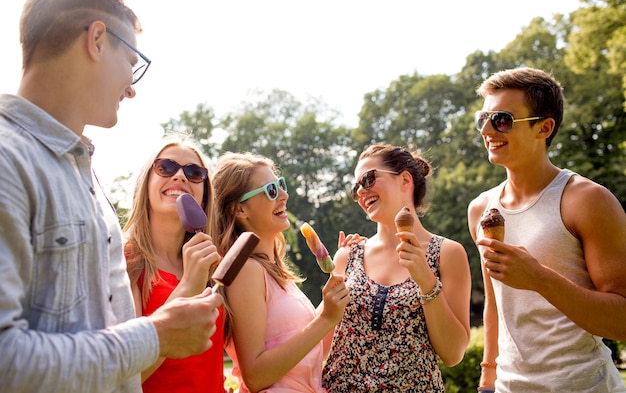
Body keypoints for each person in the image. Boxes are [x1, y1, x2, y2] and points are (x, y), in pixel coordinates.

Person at [0, 0, 222, 392]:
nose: (132, 88)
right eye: (132, 61)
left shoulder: (83, 171)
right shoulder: (7, 160)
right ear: (98, 40)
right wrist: (154, 335)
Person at [468, 67, 626, 393]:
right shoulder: (481, 210)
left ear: (544, 127)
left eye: (502, 119)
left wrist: (538, 278)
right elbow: (496, 303)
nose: (487, 129)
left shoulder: (587, 200)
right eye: (482, 118)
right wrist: (487, 378)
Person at [322, 143, 472, 392]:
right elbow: (320, 344)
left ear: (405, 180)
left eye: (368, 179)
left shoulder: (448, 253)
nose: (361, 191)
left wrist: (427, 282)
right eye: (355, 187)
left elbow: (453, 354)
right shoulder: (346, 256)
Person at [211, 151, 351, 393]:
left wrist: (344, 268)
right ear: (239, 210)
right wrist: (326, 318)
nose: (284, 195)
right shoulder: (246, 271)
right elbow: (255, 376)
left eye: (280, 185)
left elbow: (308, 354)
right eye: (271, 190)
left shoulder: (274, 273)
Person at [123, 134, 229, 393]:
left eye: (194, 173)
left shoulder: (210, 266)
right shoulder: (125, 260)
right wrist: (187, 288)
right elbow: (126, 379)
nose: (180, 176)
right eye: (166, 167)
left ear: (204, 197)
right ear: (146, 183)